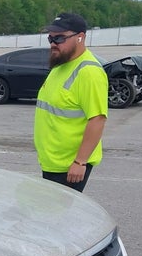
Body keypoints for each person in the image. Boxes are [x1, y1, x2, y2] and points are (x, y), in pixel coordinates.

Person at [33, 12, 108, 192]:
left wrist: (80, 162)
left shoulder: (89, 72)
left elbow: (97, 119)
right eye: (50, 38)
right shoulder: (61, 65)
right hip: (53, 161)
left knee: (59, 217)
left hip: (69, 167)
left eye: (59, 38)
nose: (53, 44)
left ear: (80, 37)